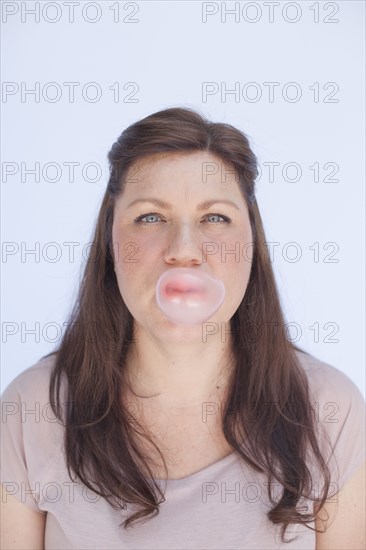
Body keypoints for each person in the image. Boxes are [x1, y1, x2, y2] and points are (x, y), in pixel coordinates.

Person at [1, 107, 365, 550]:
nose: (183, 250)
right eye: (150, 217)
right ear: (110, 243)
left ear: (252, 244)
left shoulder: (330, 410)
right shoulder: (32, 409)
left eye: (215, 218)